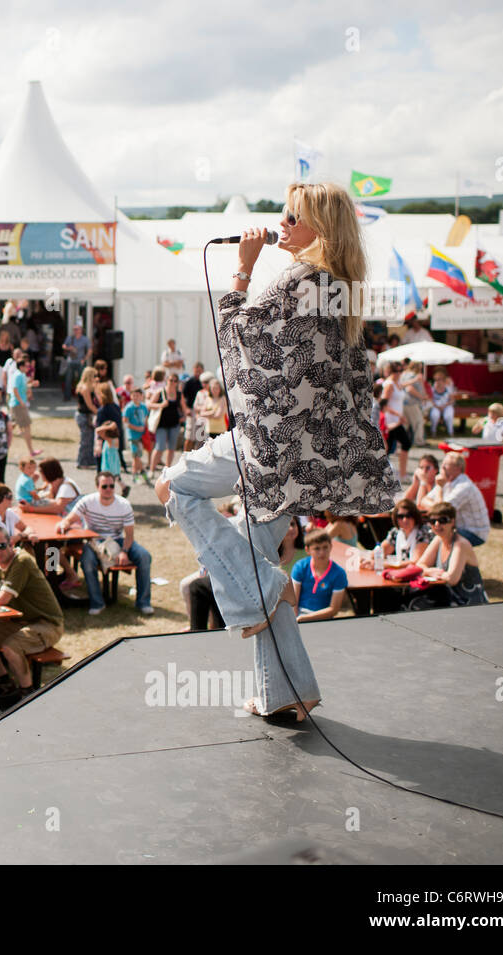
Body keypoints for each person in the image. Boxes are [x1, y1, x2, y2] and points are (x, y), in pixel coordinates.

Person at [156, 182, 399, 722]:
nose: (282, 222)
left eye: (295, 216)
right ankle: (289, 692)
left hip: (269, 445)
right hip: (304, 453)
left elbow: (242, 344)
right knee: (255, 573)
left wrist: (243, 268)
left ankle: (268, 588)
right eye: (284, 214)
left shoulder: (301, 280)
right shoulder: (342, 286)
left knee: (174, 486)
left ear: (322, 227)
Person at [0, 524, 65, 707]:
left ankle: (28, 692)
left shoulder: (22, 561)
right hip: (19, 621)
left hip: (47, 624)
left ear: (10, 543)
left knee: (10, 647)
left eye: (2, 546)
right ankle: (5, 684)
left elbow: (3, 598)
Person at [59, 471, 154, 616]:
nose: (108, 489)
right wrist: (64, 524)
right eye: (104, 486)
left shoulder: (124, 504)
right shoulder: (88, 501)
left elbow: (129, 535)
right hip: (94, 541)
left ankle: (143, 602)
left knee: (145, 556)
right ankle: (97, 602)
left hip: (118, 539)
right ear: (97, 487)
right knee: (87, 561)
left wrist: (124, 551)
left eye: (111, 486)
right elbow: (69, 519)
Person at [422, 451, 490, 546]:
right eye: (443, 463)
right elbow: (424, 501)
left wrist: (439, 488)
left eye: (446, 464)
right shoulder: (447, 482)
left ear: (458, 468)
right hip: (456, 528)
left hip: (474, 533)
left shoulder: (464, 487)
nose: (442, 467)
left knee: (435, 535)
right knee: (425, 530)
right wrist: (436, 504)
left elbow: (441, 513)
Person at [289, 529, 347, 623]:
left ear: (331, 547)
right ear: (307, 550)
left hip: (323, 620)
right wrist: (295, 620)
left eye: (325, 547)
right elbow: (293, 601)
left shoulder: (339, 573)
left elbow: (333, 609)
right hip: (299, 615)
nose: (322, 552)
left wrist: (305, 619)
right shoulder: (300, 567)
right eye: (317, 548)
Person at [148, 373, 185, 474]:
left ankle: (167, 470)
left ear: (177, 382)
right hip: (161, 425)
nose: (172, 382)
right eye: (170, 380)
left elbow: (183, 408)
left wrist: (184, 417)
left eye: (175, 380)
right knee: (159, 447)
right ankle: (151, 469)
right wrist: (161, 405)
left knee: (171, 448)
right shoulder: (160, 392)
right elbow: (149, 404)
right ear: (166, 381)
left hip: (174, 424)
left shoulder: (179, 394)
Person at [376, 498, 431, 564]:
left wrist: (384, 564)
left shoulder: (423, 532)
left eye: (408, 516)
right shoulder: (395, 532)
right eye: (400, 516)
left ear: (415, 516)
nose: (405, 520)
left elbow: (415, 562)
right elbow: (379, 553)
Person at [6, 356, 41, 457]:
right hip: (18, 405)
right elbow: (15, 389)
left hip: (18, 404)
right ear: (21, 367)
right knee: (26, 427)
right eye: (26, 366)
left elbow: (22, 387)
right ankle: (31, 451)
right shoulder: (18, 375)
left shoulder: (21, 375)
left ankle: (4, 448)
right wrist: (21, 401)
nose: (28, 367)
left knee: (13, 426)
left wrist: (32, 385)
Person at [427, 369, 457, 438]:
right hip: (436, 406)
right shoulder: (432, 389)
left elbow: (452, 400)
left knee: (448, 416)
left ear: (443, 380)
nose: (437, 381)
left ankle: (450, 432)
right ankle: (433, 431)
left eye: (439, 379)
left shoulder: (448, 388)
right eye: (436, 379)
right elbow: (430, 399)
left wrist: (444, 406)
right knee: (434, 415)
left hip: (446, 406)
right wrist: (437, 406)